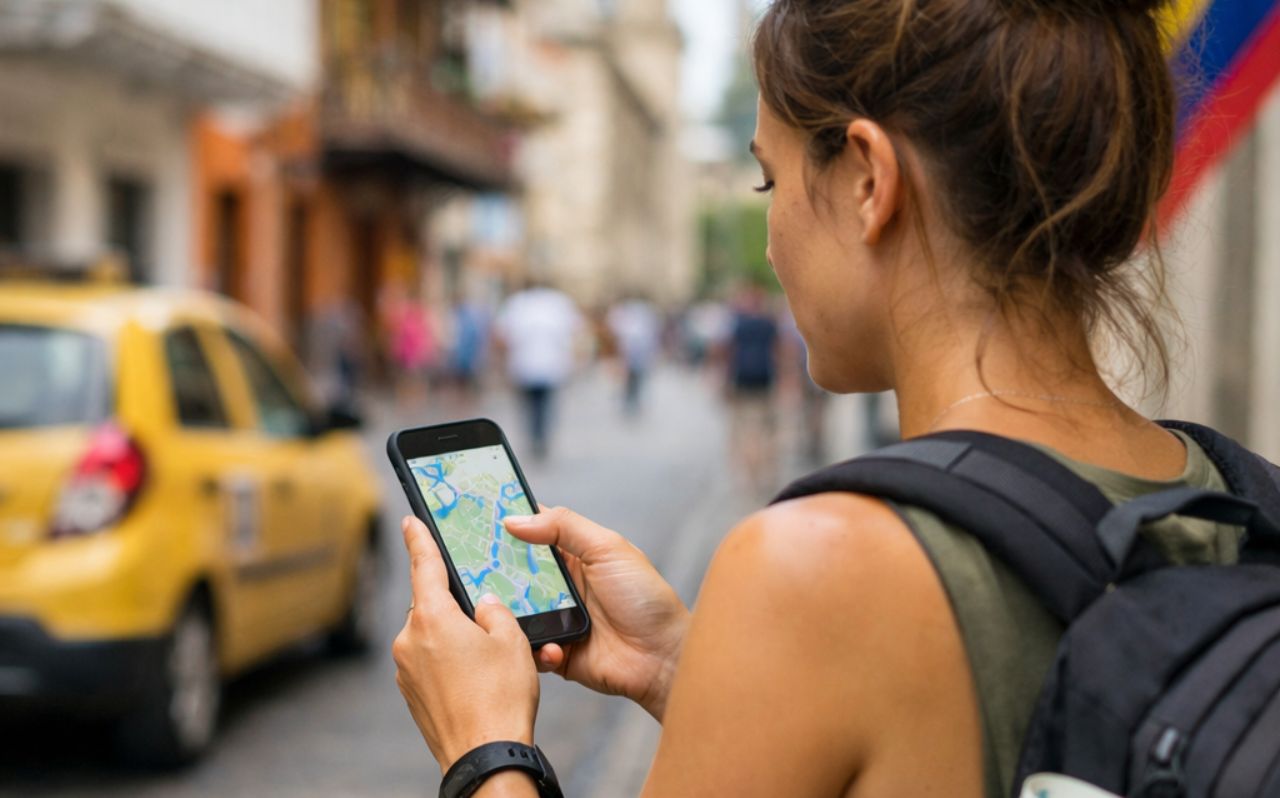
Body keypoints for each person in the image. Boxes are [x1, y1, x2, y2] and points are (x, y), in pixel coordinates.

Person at [392, 1, 1224, 796]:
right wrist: (704, 675)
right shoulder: (1243, 498)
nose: (769, 235)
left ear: (868, 180)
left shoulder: (815, 569)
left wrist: (484, 750)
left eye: (769, 181)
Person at [494, 280, 584, 461]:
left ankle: (535, 438)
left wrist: (502, 361)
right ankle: (541, 438)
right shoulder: (559, 303)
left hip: (525, 366)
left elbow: (501, 335)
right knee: (545, 405)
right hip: (550, 366)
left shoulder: (517, 303)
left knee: (529, 406)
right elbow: (575, 332)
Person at [606, 294, 662, 417]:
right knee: (633, 381)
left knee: (633, 381)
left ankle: (631, 402)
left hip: (636, 357)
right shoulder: (636, 320)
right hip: (634, 357)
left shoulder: (632, 320)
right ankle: (631, 402)